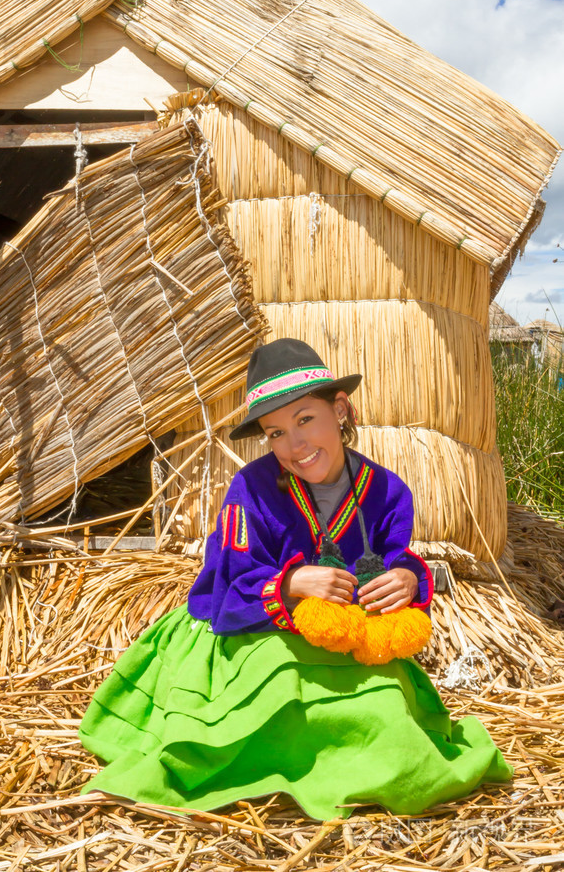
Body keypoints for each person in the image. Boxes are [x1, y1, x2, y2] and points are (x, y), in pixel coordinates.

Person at [78, 338, 512, 820]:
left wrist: (408, 581)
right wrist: (290, 585)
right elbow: (225, 584)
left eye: (306, 419)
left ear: (340, 410)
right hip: (254, 633)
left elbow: (398, 559)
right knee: (276, 689)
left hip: (344, 640)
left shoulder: (388, 492)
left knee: (385, 706)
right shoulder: (251, 489)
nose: (296, 445)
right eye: (275, 432)